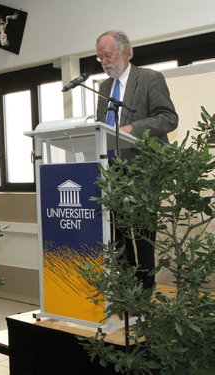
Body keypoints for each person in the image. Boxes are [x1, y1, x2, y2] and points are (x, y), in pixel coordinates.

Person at [95, 30, 178, 289]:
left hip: (143, 174)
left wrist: (132, 128)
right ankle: (125, 292)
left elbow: (168, 118)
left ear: (126, 52)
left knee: (142, 239)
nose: (105, 62)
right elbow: (103, 127)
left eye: (108, 55)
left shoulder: (150, 79)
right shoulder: (104, 87)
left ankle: (145, 293)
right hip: (112, 175)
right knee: (117, 238)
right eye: (100, 58)